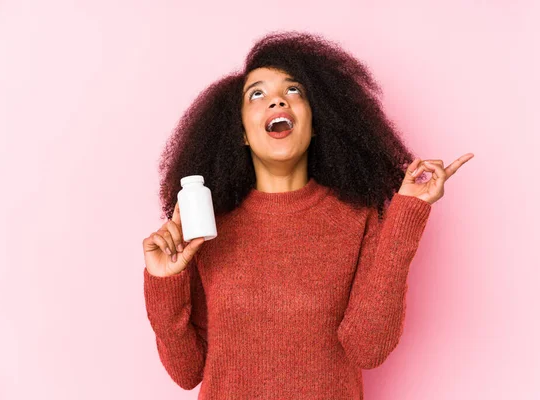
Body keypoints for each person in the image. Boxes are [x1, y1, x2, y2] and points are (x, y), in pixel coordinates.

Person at [142, 31, 473, 399]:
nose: (277, 100)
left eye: (293, 90)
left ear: (316, 123)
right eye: (257, 94)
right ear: (241, 134)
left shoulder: (355, 217)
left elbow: (369, 348)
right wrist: (163, 283)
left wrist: (406, 213)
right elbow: (187, 372)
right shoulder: (206, 225)